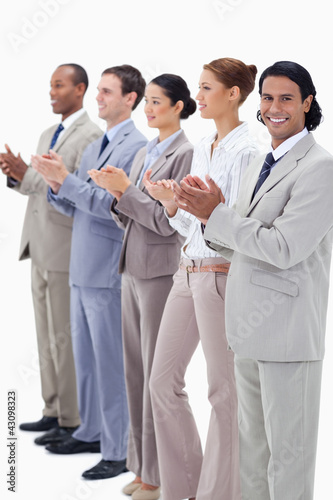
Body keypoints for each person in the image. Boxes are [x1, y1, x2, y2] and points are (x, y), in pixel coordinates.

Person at [170, 61, 333, 500]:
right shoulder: (264, 161)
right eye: (267, 97)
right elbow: (240, 241)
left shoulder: (319, 167)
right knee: (253, 457)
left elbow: (283, 247)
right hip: (245, 331)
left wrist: (217, 215)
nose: (274, 107)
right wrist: (211, 218)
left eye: (286, 98)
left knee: (289, 460)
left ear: (307, 103)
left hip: (288, 335)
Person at [144, 58, 259, 500]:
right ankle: (184, 489)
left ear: (233, 94)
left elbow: (239, 225)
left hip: (222, 277)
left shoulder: (250, 150)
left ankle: (219, 494)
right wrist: (173, 205)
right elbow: (194, 227)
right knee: (162, 383)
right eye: (198, 86)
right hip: (185, 273)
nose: (199, 96)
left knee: (224, 394)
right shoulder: (206, 145)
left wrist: (205, 210)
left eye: (207, 88)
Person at [30, 65, 147, 481]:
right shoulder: (99, 144)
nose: (98, 98)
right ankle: (91, 431)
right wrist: (55, 182)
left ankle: (118, 451)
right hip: (81, 266)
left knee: (111, 364)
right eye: (97, 91)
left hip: (107, 271)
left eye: (107, 92)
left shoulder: (137, 146)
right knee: (86, 361)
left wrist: (70, 184)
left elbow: (114, 207)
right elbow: (79, 200)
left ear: (130, 99)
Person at [89, 73, 196, 500]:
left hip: (158, 272)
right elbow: (128, 215)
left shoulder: (186, 154)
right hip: (130, 269)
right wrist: (117, 193)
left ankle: (158, 475)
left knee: (155, 372)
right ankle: (141, 468)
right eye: (146, 101)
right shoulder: (147, 150)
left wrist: (127, 192)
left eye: (157, 102)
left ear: (178, 107)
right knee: (134, 370)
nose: (148, 109)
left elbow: (166, 222)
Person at [0, 64, 102, 441]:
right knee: (45, 336)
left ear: (80, 89)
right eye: (50, 85)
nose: (51, 92)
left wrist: (27, 173)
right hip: (38, 243)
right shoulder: (48, 133)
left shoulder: (91, 136)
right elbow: (38, 185)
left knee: (64, 335)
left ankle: (72, 419)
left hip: (65, 247)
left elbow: (69, 188)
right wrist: (16, 174)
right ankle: (52, 409)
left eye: (58, 85)